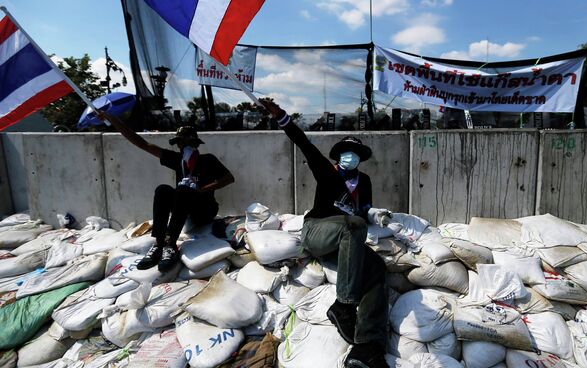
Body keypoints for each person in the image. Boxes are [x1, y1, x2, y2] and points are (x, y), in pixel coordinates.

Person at [260, 101, 391, 368]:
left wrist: (376, 214)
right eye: (346, 152)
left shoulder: (363, 181)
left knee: (378, 268)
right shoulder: (327, 172)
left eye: (355, 153)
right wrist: (282, 117)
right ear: (338, 155)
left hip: (347, 239)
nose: (350, 156)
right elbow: (304, 143)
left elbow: (363, 210)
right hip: (319, 232)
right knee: (352, 224)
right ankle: (343, 305)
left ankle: (366, 347)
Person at [100, 113, 234, 272]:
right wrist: (114, 120)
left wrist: (201, 189)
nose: (183, 146)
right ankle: (159, 243)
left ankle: (170, 244)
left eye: (187, 142)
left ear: (195, 143)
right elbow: (143, 144)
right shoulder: (177, 160)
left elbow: (229, 178)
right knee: (163, 189)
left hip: (204, 209)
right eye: (180, 143)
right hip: (184, 208)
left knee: (184, 190)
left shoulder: (207, 159)